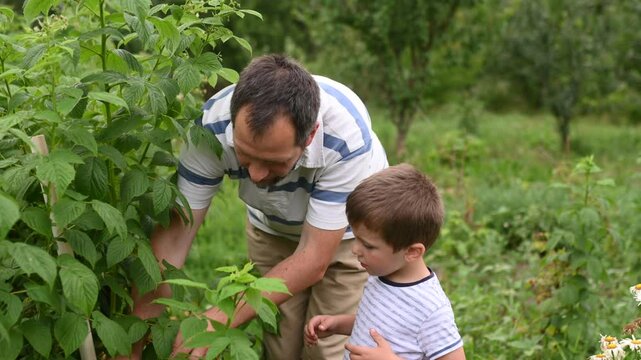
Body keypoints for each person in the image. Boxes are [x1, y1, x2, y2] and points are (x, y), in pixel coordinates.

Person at [127, 54, 388, 359]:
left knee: (326, 349)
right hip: (272, 227)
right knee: (280, 343)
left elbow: (315, 258)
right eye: (245, 155)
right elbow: (172, 241)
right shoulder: (211, 126)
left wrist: (218, 320)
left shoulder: (344, 137)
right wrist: (135, 337)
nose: (254, 175)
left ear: (310, 136)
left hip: (346, 238)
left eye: (274, 162)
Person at [304, 164, 465, 360]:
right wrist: (337, 324)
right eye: (356, 238)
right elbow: (379, 328)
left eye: (368, 246)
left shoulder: (431, 309)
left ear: (412, 252)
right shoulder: (380, 274)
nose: (355, 249)